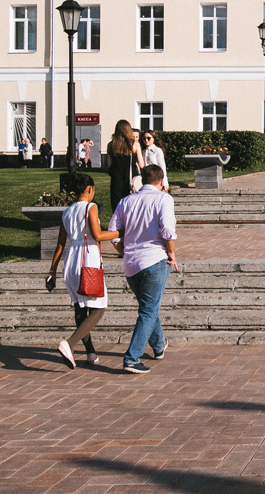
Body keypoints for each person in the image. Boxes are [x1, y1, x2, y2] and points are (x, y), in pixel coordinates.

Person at [107, 164, 178, 374]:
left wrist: (123, 250)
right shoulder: (163, 199)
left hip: (131, 263)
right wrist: (171, 252)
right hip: (155, 259)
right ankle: (132, 357)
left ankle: (158, 345)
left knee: (149, 306)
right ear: (161, 181)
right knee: (148, 310)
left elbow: (113, 230)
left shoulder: (126, 201)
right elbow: (167, 228)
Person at [45, 174, 121, 369]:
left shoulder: (67, 212)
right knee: (98, 308)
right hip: (88, 259)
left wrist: (52, 271)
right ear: (89, 189)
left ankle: (90, 352)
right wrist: (121, 232)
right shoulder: (91, 207)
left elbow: (60, 244)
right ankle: (69, 344)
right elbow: (97, 235)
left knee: (80, 307)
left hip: (71, 260)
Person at [107, 120, 144, 214]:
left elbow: (109, 165)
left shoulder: (111, 145)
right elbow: (141, 164)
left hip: (116, 177)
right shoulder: (134, 145)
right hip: (131, 177)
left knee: (117, 205)